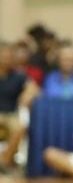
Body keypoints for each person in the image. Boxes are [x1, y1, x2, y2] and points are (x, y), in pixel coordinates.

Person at [0, 43, 39, 174]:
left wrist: (28, 93)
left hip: (11, 116)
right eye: (4, 55)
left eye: (10, 55)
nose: (7, 58)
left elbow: (34, 88)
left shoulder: (18, 76)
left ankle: (4, 162)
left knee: (20, 127)